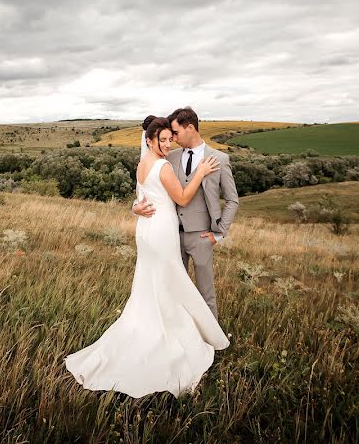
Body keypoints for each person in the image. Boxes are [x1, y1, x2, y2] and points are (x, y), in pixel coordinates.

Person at [64, 117, 230, 398]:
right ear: (149, 141)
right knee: (169, 280)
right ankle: (170, 332)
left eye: (169, 139)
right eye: (161, 140)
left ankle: (160, 320)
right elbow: (183, 199)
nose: (167, 144)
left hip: (146, 231)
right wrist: (200, 172)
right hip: (161, 232)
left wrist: (134, 208)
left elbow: (141, 198)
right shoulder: (163, 166)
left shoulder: (142, 165)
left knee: (154, 281)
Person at [133, 107, 238, 319]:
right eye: (169, 136)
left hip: (201, 237)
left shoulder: (219, 159)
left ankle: (211, 343)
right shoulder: (167, 157)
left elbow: (232, 200)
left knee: (205, 294)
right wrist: (135, 207)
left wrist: (219, 233)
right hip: (169, 236)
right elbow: (149, 189)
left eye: (175, 134)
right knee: (173, 291)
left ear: (190, 128)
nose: (172, 139)